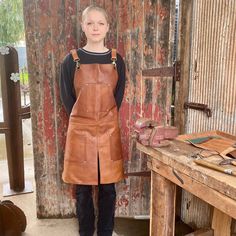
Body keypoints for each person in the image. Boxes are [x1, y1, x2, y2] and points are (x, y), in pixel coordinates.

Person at [59, 5, 126, 236]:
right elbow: (67, 98)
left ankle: (106, 232)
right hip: (80, 131)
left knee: (108, 187)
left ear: (107, 27)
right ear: (83, 26)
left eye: (100, 23)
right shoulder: (71, 60)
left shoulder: (117, 60)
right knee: (83, 189)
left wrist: (103, 119)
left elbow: (118, 97)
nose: (95, 27)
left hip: (108, 130)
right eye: (90, 23)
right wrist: (83, 120)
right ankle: (86, 232)